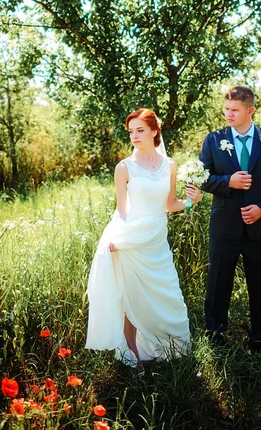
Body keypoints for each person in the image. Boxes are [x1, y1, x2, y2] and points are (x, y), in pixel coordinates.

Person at [85, 108, 201, 374]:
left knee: (169, 294)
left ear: (154, 131)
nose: (134, 136)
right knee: (130, 299)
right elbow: (122, 209)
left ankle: (173, 351)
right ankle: (133, 357)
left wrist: (191, 203)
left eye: (140, 130)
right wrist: (118, 238)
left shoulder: (169, 165)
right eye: (131, 131)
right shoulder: (124, 168)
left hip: (157, 239)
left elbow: (170, 204)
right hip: (131, 238)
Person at [199, 86, 261, 352]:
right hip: (224, 227)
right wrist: (228, 181)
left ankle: (259, 339)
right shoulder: (213, 140)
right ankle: (215, 338)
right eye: (226, 109)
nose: (228, 114)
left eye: (234, 110)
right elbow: (201, 177)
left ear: (250, 110)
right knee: (218, 283)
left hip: (260, 228)